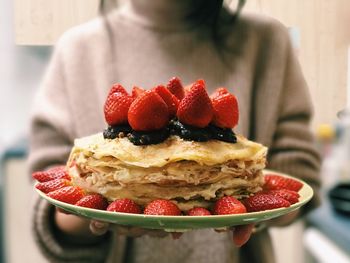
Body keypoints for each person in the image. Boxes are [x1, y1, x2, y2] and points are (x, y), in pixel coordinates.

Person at [29, 0, 321, 262]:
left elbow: (298, 179)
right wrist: (98, 210)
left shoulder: (266, 40)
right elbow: (52, 194)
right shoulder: (77, 49)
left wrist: (244, 206)